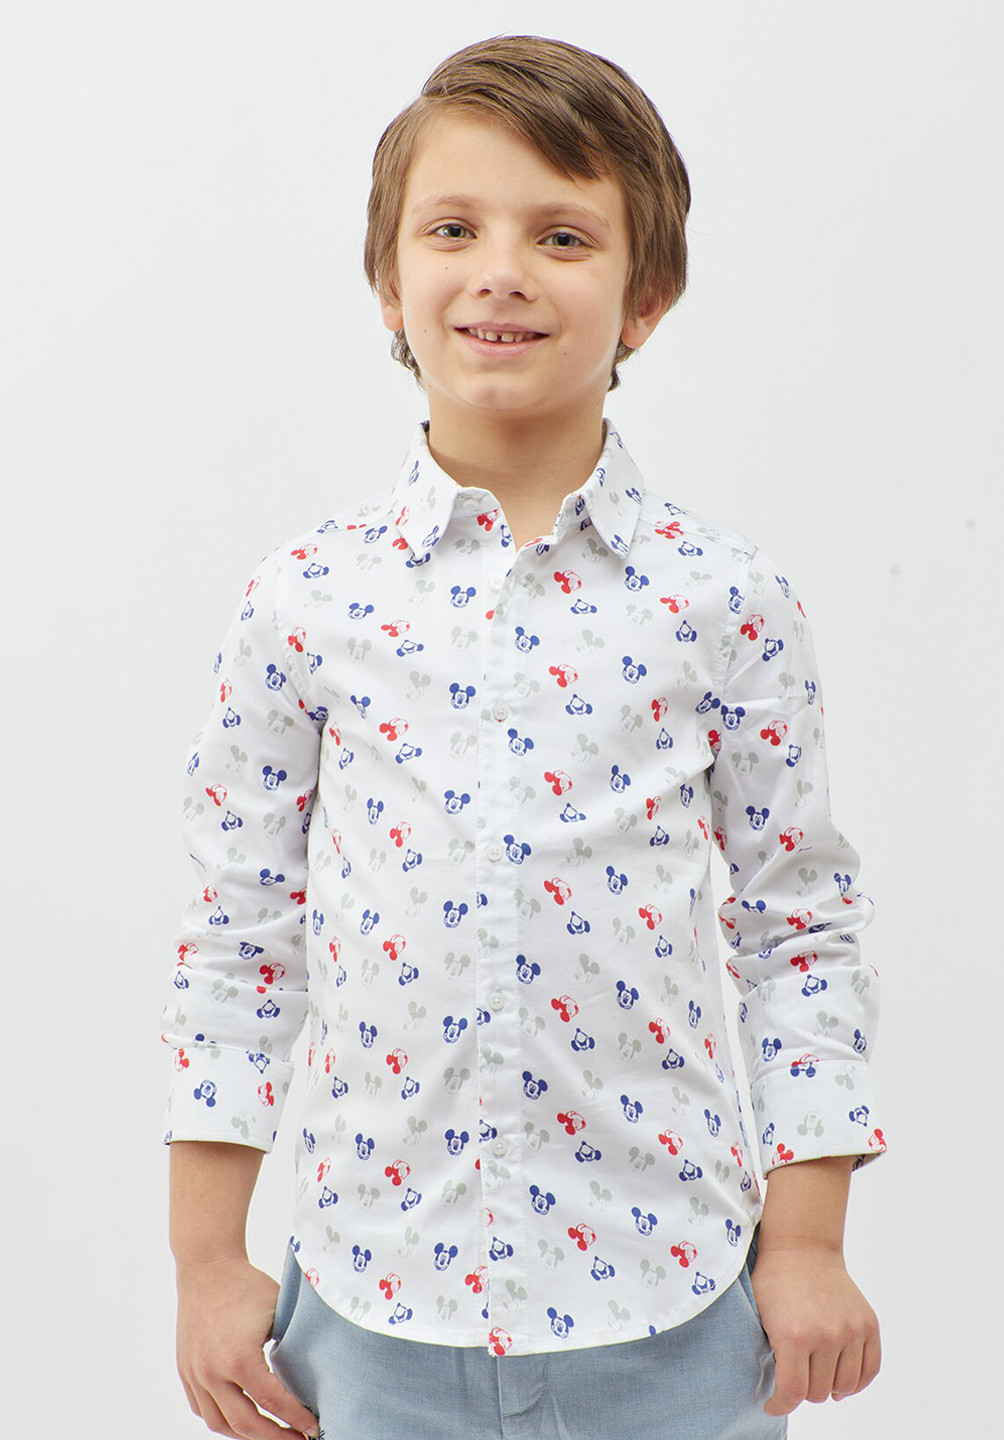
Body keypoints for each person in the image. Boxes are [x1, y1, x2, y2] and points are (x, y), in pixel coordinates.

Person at [160, 34, 887, 1440]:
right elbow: (240, 934)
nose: (502, 271)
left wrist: (805, 1243)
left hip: (677, 1312)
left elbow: (798, 925)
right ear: (390, 284)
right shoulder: (307, 600)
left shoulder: (724, 600)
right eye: (453, 230)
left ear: (646, 298)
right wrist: (205, 1263)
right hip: (370, 1312)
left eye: (561, 235)